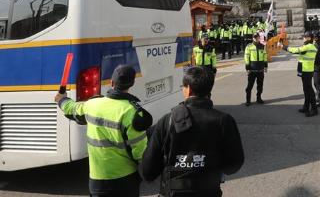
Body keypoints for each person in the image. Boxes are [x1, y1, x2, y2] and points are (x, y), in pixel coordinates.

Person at [141, 66, 245, 197]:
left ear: (188, 89)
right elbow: (234, 163)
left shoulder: (167, 121)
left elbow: (148, 171)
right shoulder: (224, 120)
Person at [54, 65, 151, 197]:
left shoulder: (92, 104)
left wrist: (62, 99)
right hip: (126, 181)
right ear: (132, 84)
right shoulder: (131, 112)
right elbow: (141, 153)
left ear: (111, 82)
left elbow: (71, 109)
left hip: (97, 181)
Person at [283, 32, 318, 117]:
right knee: (306, 90)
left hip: (306, 70)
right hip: (306, 70)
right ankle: (306, 107)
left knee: (309, 90)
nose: (303, 38)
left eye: (305, 37)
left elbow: (296, 50)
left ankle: (314, 109)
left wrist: (284, 47)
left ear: (309, 38)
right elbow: (301, 52)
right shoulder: (310, 46)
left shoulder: (308, 47)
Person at [244, 33, 268, 106]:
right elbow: (246, 57)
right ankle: (248, 100)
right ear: (252, 38)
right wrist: (247, 68)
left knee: (260, 85)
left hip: (260, 69)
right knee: (249, 86)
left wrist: (265, 66)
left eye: (256, 37)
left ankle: (259, 98)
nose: (255, 38)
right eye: (254, 37)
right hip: (252, 69)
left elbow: (265, 56)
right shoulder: (249, 46)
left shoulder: (262, 46)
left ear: (259, 38)